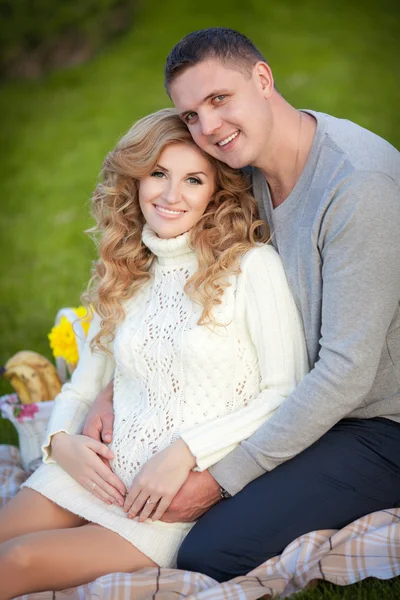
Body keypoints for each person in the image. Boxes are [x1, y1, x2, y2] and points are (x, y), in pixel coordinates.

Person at [84, 28, 400, 583]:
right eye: (190, 115)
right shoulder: (243, 172)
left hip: (378, 420)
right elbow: (181, 286)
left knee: (210, 550)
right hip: (290, 394)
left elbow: (348, 373)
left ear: (262, 78)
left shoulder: (357, 186)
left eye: (219, 99)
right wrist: (117, 388)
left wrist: (221, 478)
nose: (208, 128)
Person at [0, 108, 308, 598]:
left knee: (16, 562)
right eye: (158, 174)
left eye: (193, 179)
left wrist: (187, 450)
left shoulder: (251, 267)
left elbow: (285, 394)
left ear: (216, 192)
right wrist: (60, 442)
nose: (170, 195)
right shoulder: (125, 267)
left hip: (162, 505)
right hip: (91, 473)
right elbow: (85, 382)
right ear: (136, 179)